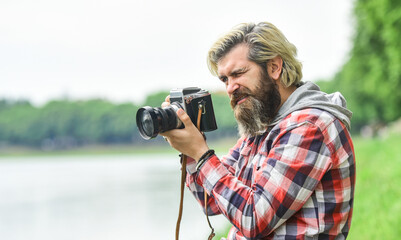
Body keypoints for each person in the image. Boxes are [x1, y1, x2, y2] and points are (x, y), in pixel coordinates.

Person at [160, 22, 355, 240]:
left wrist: (202, 154)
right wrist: (191, 155)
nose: (230, 87)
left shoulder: (309, 127)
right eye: (225, 79)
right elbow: (213, 202)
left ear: (274, 67)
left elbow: (253, 219)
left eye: (238, 73)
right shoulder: (261, 127)